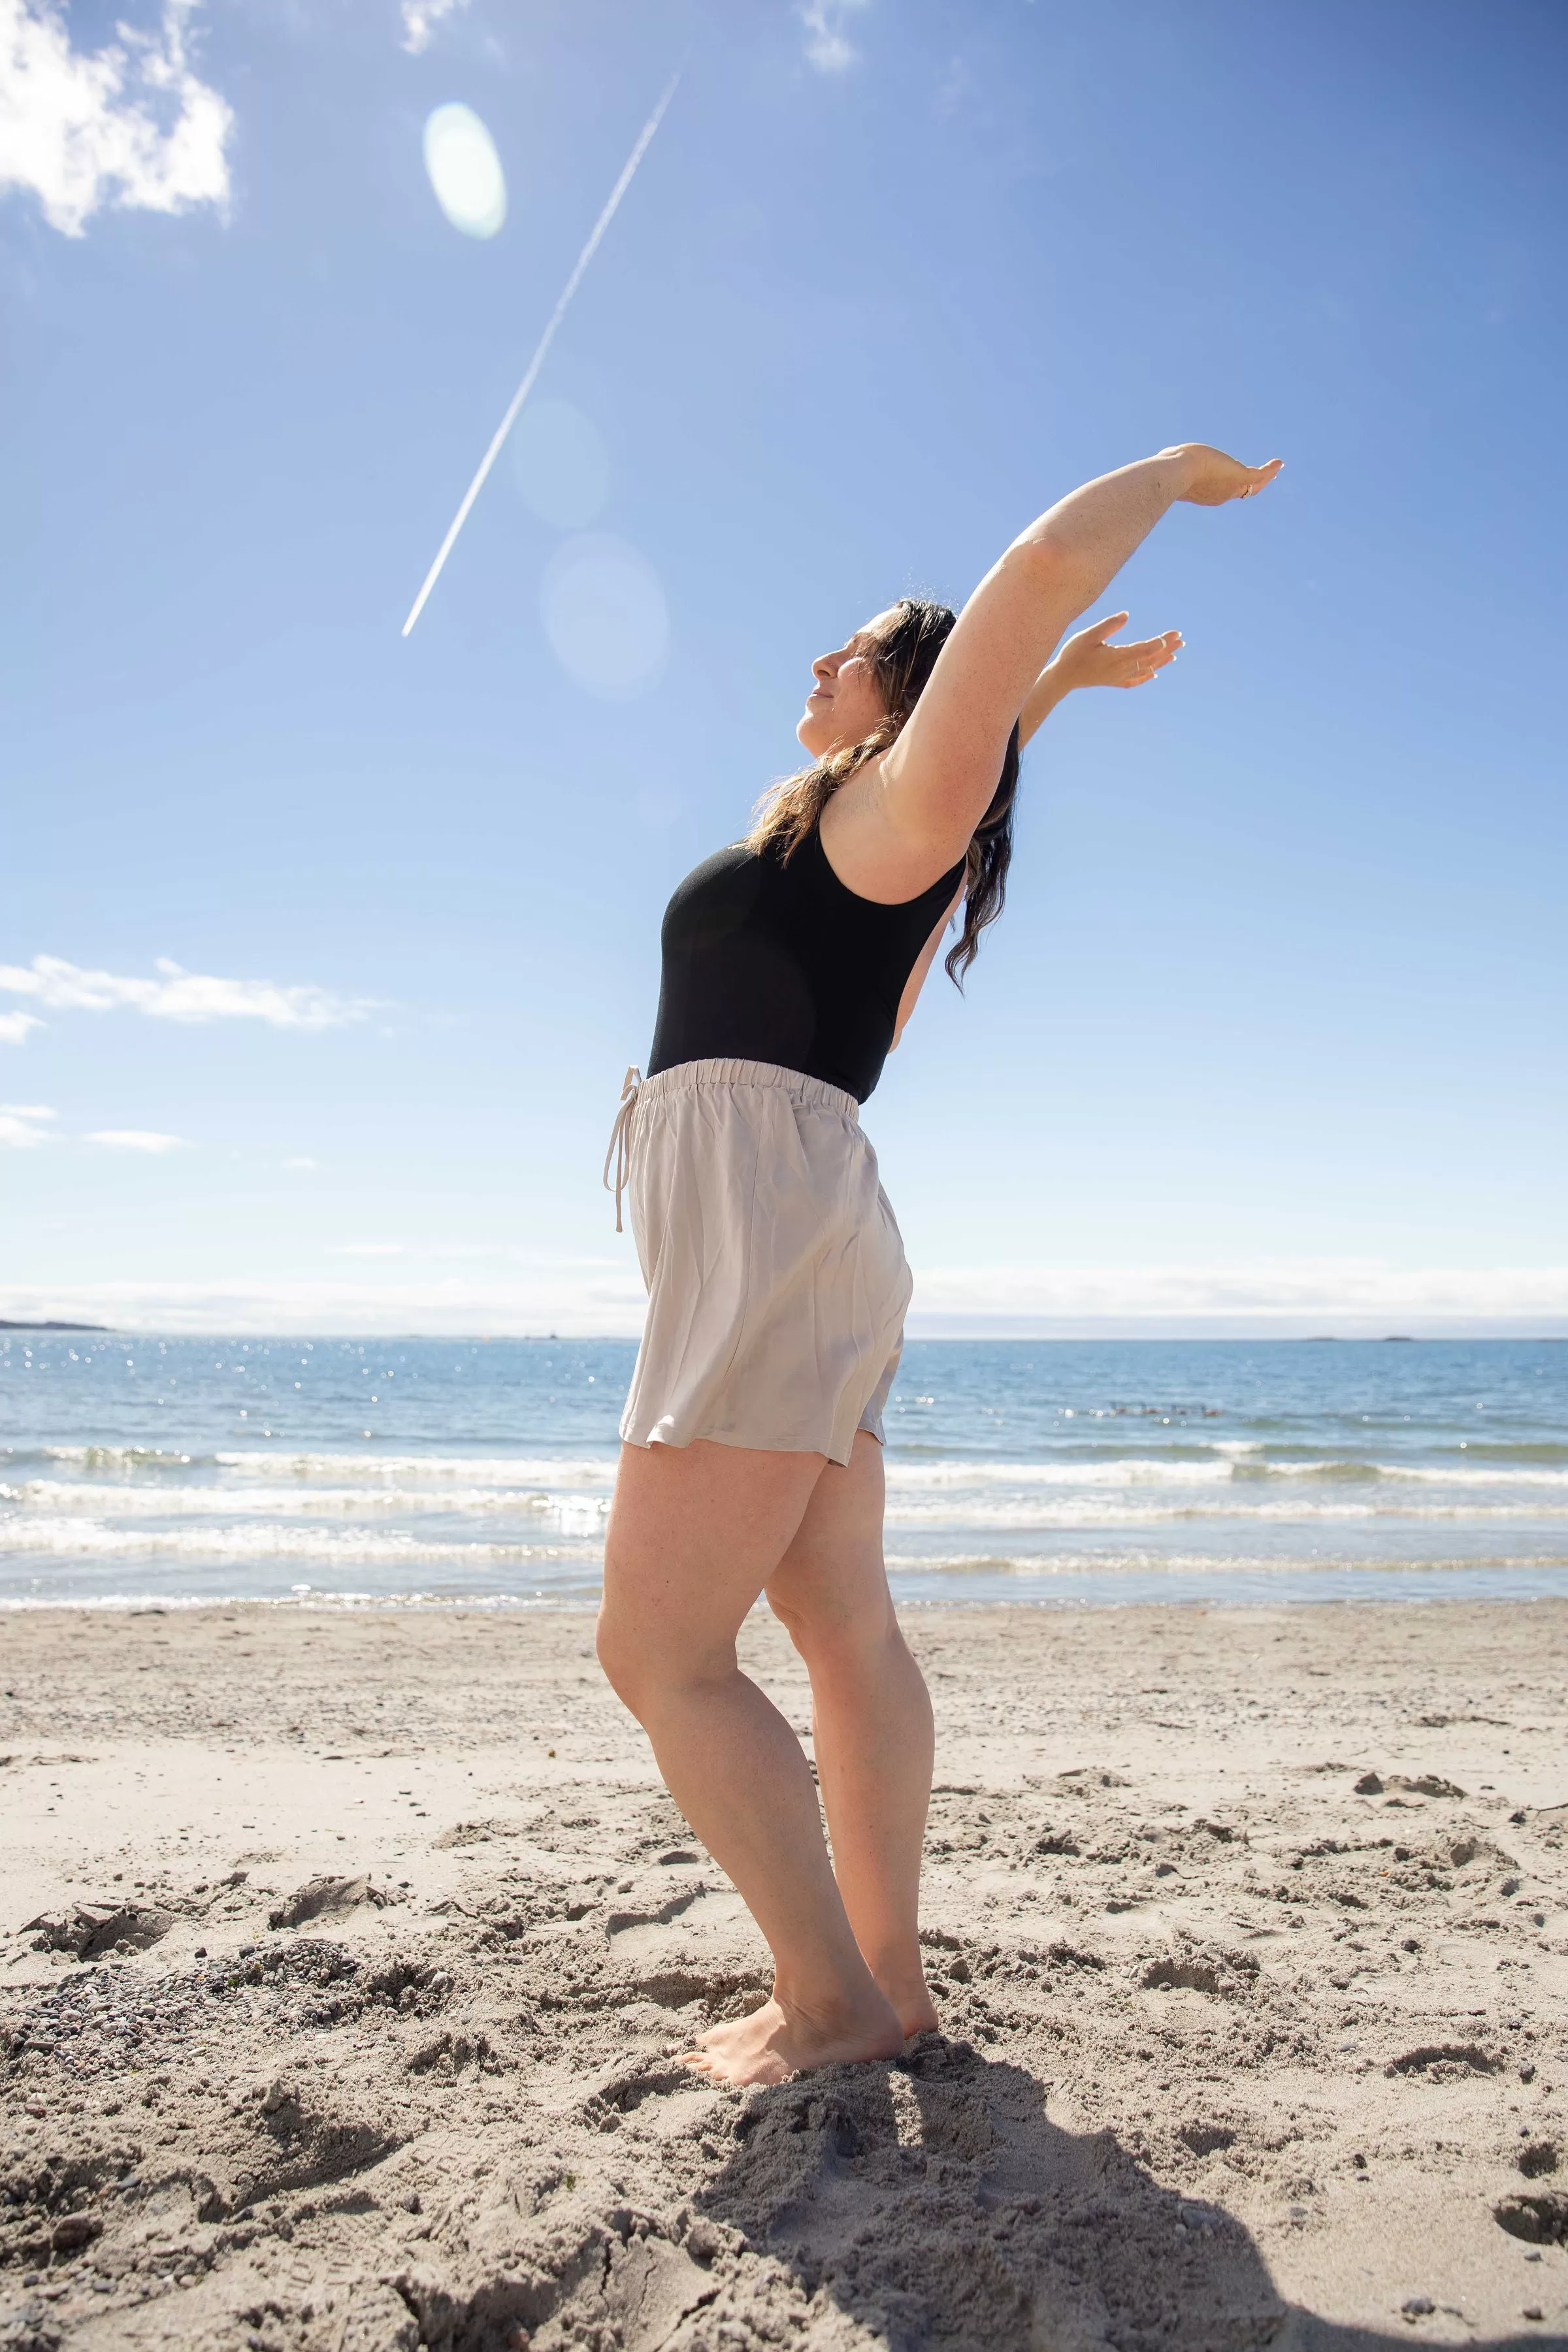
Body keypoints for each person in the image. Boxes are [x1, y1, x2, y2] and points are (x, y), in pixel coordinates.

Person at [595, 442, 1282, 2086]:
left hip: (774, 1246)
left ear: (902, 687)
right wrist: (1056, 692)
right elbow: (981, 734)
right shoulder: (881, 824)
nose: (813, 666)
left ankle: (827, 2002)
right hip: (789, 1241)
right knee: (839, 1621)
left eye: (847, 650)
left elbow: (1036, 566)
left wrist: (1170, 481)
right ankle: (887, 1989)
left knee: (659, 1653)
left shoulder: (897, 813)